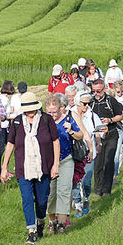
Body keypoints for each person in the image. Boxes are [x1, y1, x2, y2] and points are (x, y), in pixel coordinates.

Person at [0, 91, 59, 244]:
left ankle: (40, 221)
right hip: (23, 167)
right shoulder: (18, 122)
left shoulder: (47, 120)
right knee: (27, 199)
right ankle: (31, 231)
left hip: (44, 167)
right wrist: (4, 167)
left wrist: (56, 164)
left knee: (41, 200)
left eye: (32, 108)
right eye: (27, 109)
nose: (30, 112)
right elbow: (10, 144)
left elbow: (55, 141)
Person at [45, 93, 82, 234]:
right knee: (50, 193)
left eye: (55, 112)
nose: (52, 115)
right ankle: (51, 221)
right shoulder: (43, 122)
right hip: (48, 162)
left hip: (66, 159)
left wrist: (71, 130)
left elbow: (80, 136)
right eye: (49, 112)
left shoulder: (67, 119)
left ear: (60, 109)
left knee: (64, 191)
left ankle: (61, 223)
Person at [89, 79, 123, 197]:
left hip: (111, 135)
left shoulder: (110, 100)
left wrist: (110, 120)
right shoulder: (91, 102)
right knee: (98, 163)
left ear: (103, 89)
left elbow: (120, 116)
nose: (96, 93)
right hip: (97, 136)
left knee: (108, 161)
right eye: (93, 91)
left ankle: (106, 190)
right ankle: (97, 190)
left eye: (98, 90)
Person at [71, 90, 99, 217]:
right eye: (84, 104)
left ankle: (86, 198)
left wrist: (95, 147)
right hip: (74, 152)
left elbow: (97, 131)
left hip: (88, 151)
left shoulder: (92, 115)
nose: (87, 106)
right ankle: (78, 205)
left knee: (87, 179)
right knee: (75, 180)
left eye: (89, 103)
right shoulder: (69, 114)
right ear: (78, 102)